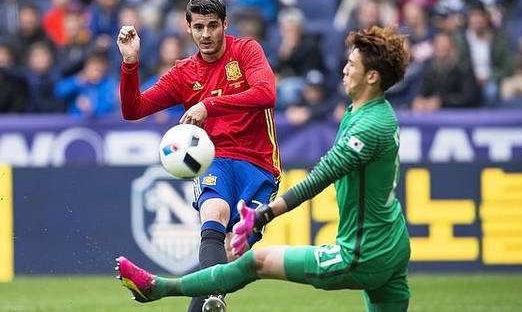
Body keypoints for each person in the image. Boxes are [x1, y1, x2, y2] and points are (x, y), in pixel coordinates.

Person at [116, 25, 412, 312]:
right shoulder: (369, 110)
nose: (344, 69)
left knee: (253, 262)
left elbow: (322, 176)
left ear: (372, 76)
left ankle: (159, 288)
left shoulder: (368, 127)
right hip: (393, 241)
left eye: (352, 64)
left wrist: (264, 214)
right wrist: (130, 64)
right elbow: (134, 108)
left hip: (361, 253)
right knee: (222, 230)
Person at [116, 0, 281, 312]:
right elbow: (133, 109)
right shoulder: (183, 73)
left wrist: (208, 105)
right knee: (213, 213)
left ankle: (210, 295)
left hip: (259, 165)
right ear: (188, 28)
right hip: (214, 159)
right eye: (199, 27)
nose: (206, 35)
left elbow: (266, 93)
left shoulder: (246, 51)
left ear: (225, 25)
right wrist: (130, 63)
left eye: (213, 26)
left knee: (234, 253)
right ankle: (212, 298)